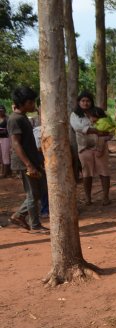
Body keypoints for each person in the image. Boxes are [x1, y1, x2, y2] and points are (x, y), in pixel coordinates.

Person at [8, 86, 49, 234]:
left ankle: (20, 215)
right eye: (31, 102)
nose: (33, 105)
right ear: (23, 103)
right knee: (33, 194)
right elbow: (16, 143)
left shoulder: (23, 117)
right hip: (25, 163)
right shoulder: (15, 119)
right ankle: (35, 225)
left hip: (32, 161)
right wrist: (28, 165)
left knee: (40, 191)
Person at [70, 92, 113, 206]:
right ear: (79, 102)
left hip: (101, 146)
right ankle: (88, 198)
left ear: (91, 102)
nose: (85, 103)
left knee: (104, 171)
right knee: (86, 173)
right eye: (83, 101)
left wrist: (107, 136)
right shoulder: (75, 115)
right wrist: (95, 131)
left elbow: (110, 124)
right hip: (84, 147)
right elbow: (77, 127)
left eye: (87, 101)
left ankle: (105, 197)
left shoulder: (99, 112)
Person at [0, 105, 11, 178]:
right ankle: (3, 171)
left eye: (2, 111)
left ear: (4, 111)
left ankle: (5, 173)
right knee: (1, 155)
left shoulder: (7, 119)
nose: (1, 112)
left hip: (5, 138)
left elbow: (9, 129)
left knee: (5, 155)